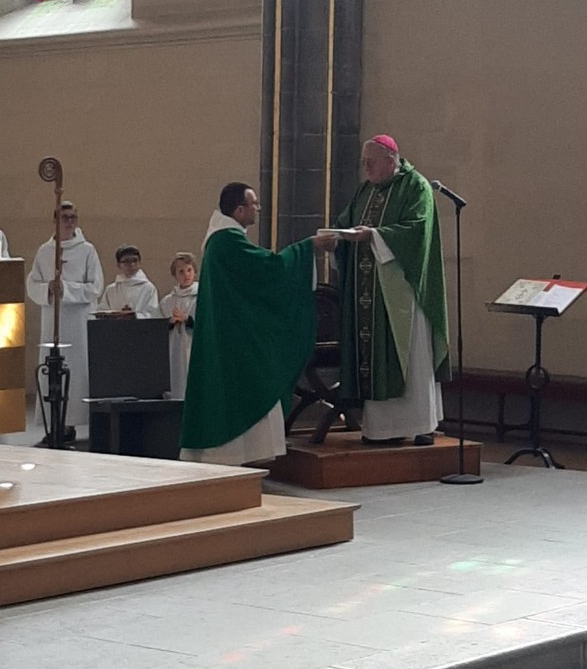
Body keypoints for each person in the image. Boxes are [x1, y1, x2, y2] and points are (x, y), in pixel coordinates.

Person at [180, 183, 336, 465]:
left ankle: (238, 456)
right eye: (254, 204)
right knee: (253, 379)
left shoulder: (221, 240)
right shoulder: (227, 241)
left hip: (230, 332)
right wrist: (308, 246)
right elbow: (270, 268)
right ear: (239, 210)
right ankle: (232, 455)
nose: (259, 208)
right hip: (235, 338)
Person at [335, 134, 450, 446]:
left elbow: (418, 230)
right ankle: (381, 430)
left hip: (403, 293)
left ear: (390, 160)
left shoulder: (416, 187)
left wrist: (374, 236)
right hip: (369, 293)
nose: (366, 168)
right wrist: (336, 239)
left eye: (370, 162)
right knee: (376, 359)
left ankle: (421, 424)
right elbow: (346, 221)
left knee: (412, 358)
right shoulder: (367, 190)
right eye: (364, 163)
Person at [26, 201, 104, 436]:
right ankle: (54, 422)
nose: (70, 222)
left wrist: (67, 289)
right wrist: (48, 289)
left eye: (73, 218)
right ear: (55, 221)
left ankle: (72, 422)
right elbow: (32, 284)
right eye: (65, 217)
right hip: (53, 319)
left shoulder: (87, 250)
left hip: (78, 321)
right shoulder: (45, 251)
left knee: (77, 371)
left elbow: (96, 287)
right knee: (50, 368)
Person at [159, 252, 199, 400]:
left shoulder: (201, 297)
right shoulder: (167, 301)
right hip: (173, 348)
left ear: (195, 272)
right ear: (175, 275)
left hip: (193, 346)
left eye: (189, 270)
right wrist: (169, 323)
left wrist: (188, 320)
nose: (186, 275)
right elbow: (156, 327)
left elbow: (208, 324)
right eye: (181, 271)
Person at [98, 244, 160, 318]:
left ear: (140, 263)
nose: (131, 264)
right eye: (126, 261)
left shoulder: (148, 288)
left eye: (135, 260)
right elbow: (102, 311)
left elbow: (153, 313)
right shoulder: (111, 289)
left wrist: (134, 316)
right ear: (118, 265)